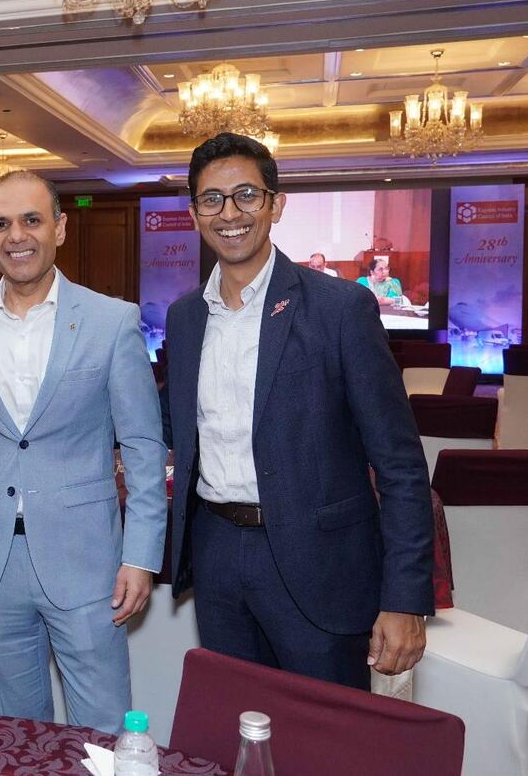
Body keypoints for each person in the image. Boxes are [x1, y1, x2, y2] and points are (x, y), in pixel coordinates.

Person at [160, 132, 432, 691]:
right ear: (194, 214)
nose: (229, 213)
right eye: (211, 199)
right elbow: (173, 426)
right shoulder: (185, 318)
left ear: (276, 204)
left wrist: (405, 597)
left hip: (321, 562)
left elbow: (400, 464)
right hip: (217, 555)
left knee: (327, 732)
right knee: (237, 721)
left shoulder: (340, 308)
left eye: (246, 195)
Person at [0, 171, 167, 734]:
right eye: (1, 224)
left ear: (59, 228)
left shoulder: (111, 321)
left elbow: (142, 447)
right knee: (12, 734)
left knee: (102, 730)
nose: (17, 236)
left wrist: (140, 555)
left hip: (87, 561)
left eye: (31, 220)